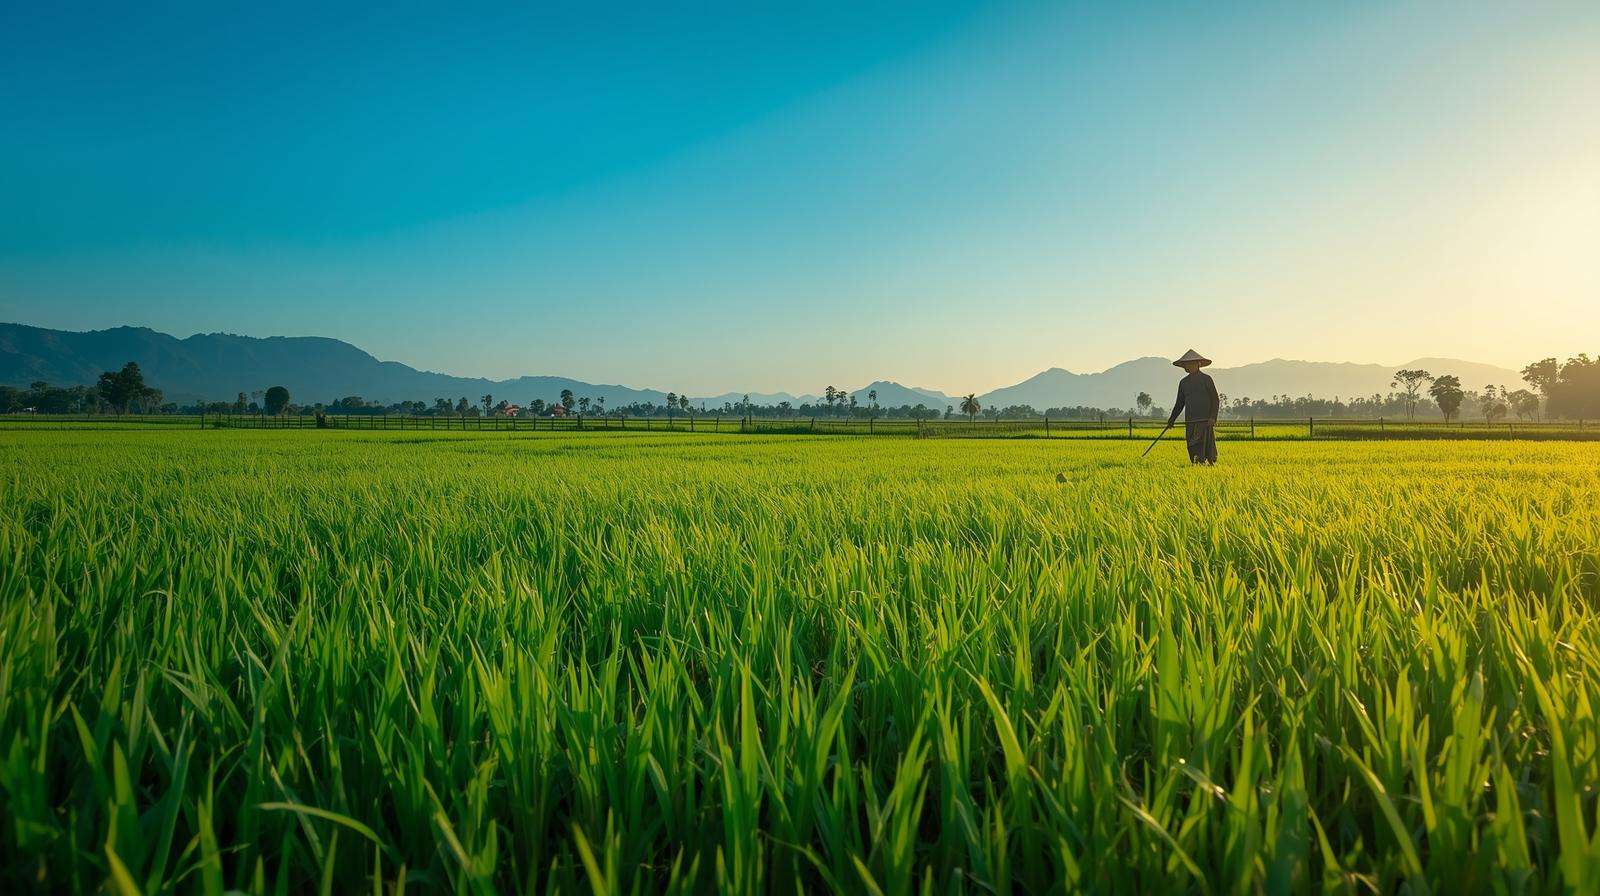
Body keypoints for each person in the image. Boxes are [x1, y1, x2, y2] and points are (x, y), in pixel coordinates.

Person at [1166, 349, 1219, 464]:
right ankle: (1196, 464)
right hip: (1190, 420)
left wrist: (1212, 417)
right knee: (1192, 444)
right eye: (1186, 364)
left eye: (1190, 364)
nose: (1187, 366)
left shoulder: (1206, 379)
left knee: (1205, 444)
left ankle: (1208, 464)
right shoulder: (1183, 383)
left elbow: (1215, 400)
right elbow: (1179, 403)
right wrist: (1172, 419)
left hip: (1205, 420)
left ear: (1198, 364)